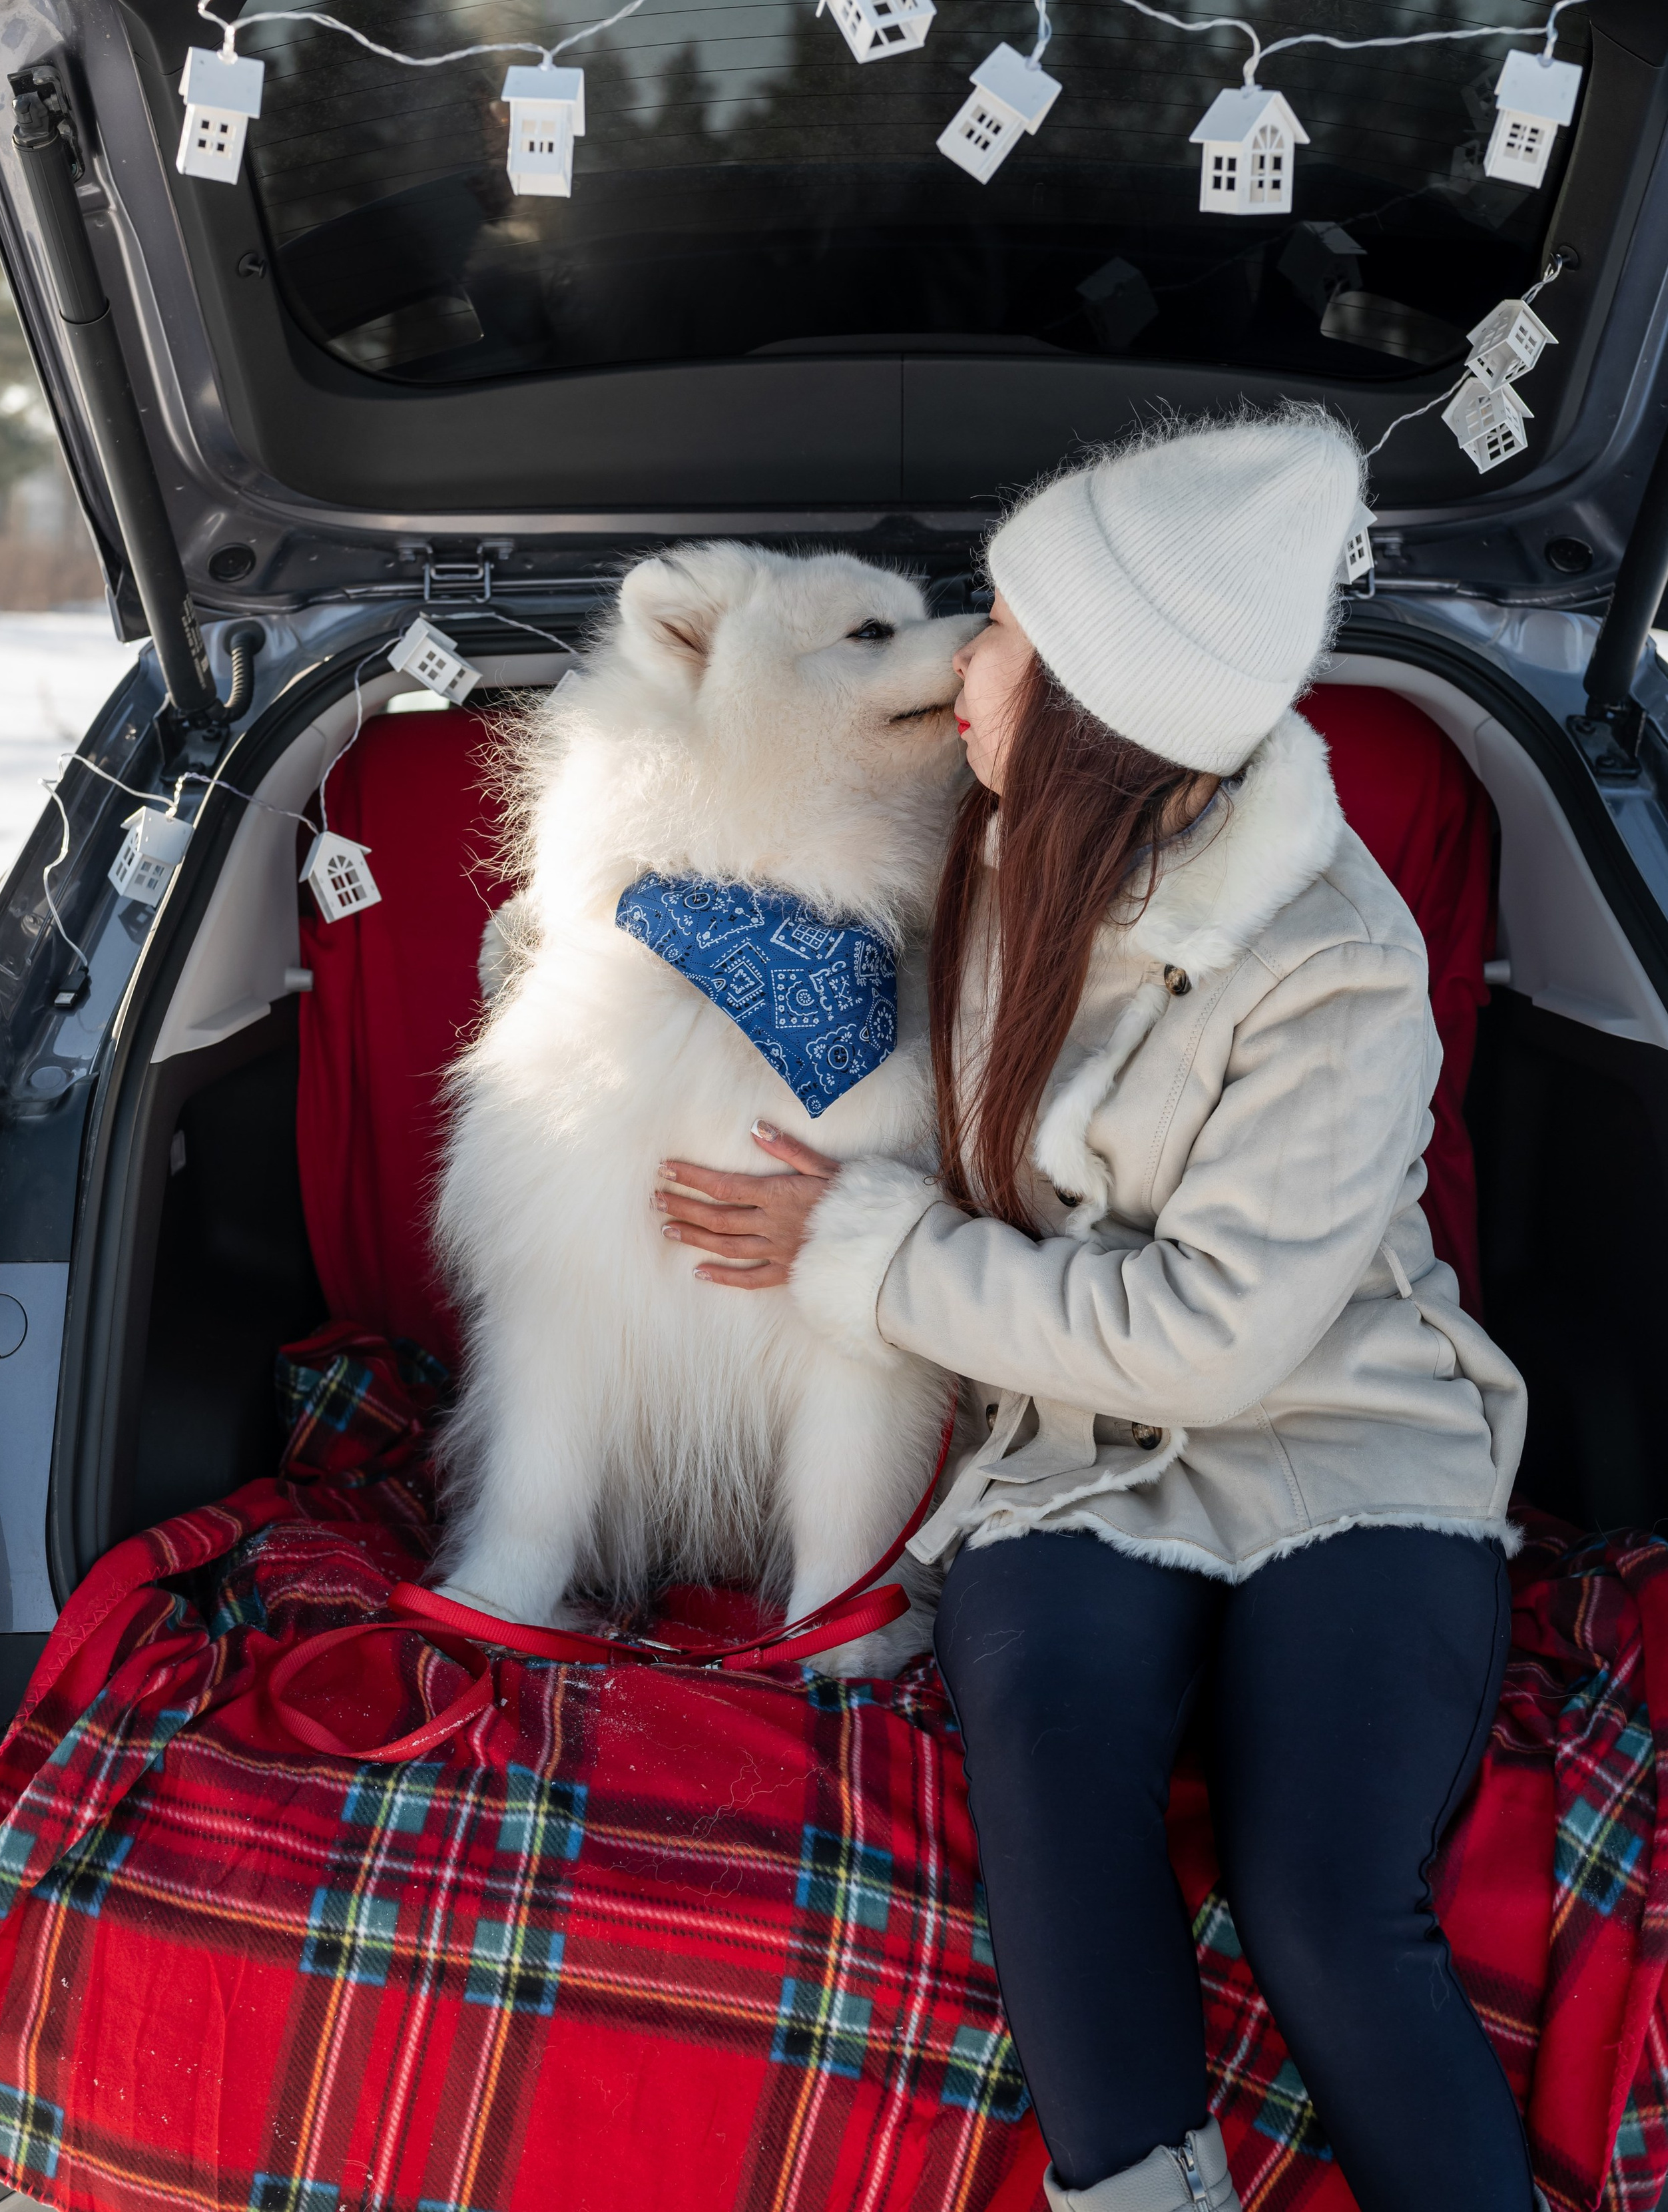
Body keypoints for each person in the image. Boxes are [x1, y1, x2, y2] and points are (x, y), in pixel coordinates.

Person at [651, 410, 1535, 2212]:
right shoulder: (1004, 847)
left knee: (1318, 1888)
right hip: (1076, 1460)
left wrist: (868, 1253)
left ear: (1099, 703)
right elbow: (803, 924)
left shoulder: (1338, 959)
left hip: (1344, 1447)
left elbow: (1213, 1336)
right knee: (1050, 1763)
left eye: (996, 626)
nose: (963, 662)